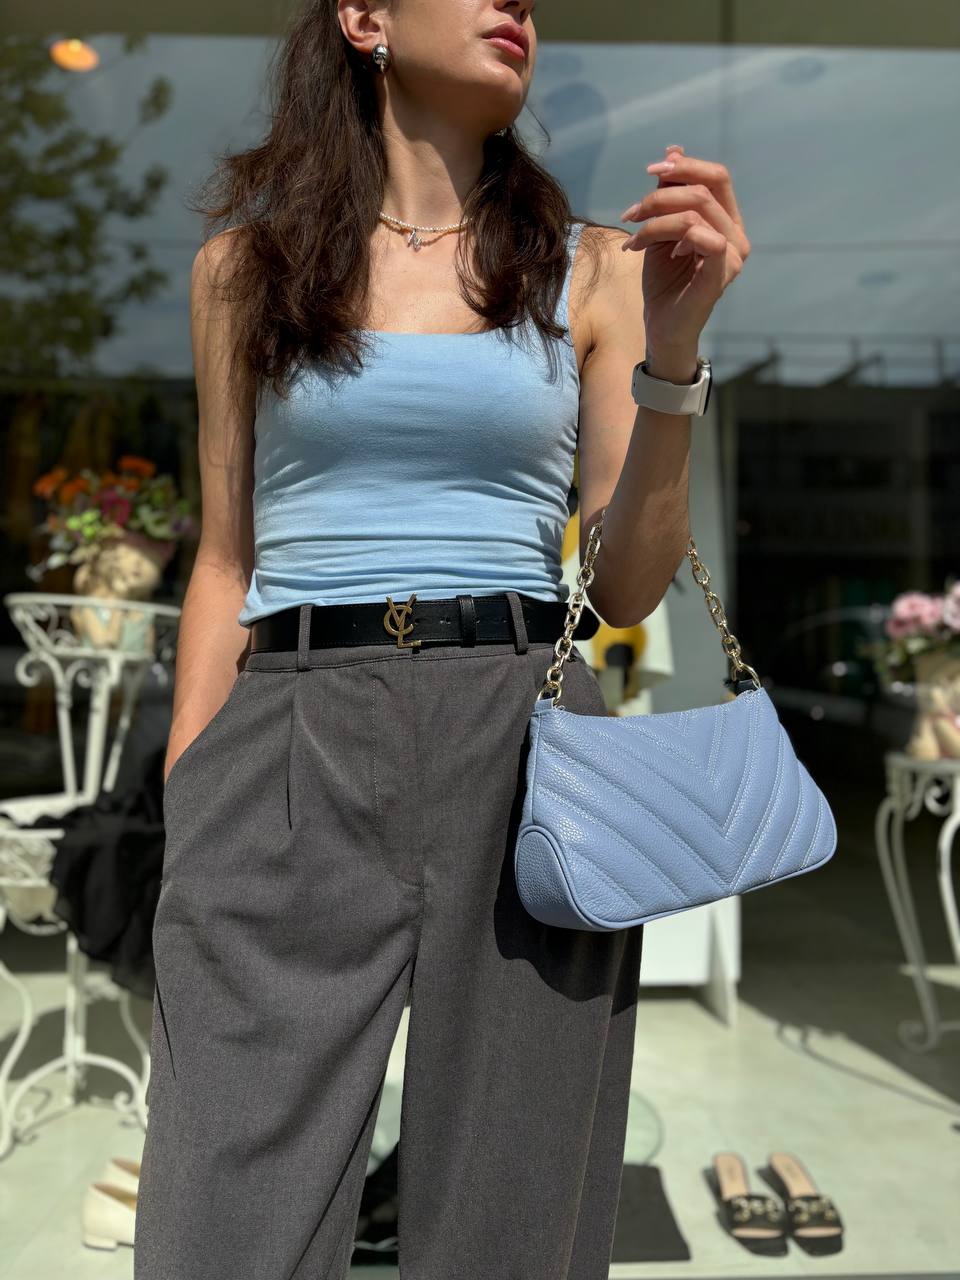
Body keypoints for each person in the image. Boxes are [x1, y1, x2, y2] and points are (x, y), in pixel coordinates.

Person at [133, 2, 748, 1277]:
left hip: (525, 746)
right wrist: (193, 789)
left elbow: (627, 586)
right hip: (287, 730)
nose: (517, 3)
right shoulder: (245, 271)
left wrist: (676, 356)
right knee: (221, 1218)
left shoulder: (593, 269)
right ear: (365, 16)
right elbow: (226, 557)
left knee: (512, 1224)